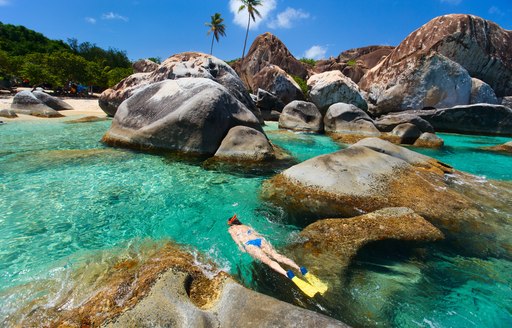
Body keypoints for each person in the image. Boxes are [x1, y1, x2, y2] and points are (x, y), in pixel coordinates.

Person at [227, 214, 327, 297]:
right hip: (260, 240)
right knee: (276, 255)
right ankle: (300, 268)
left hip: (249, 244)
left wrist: (241, 247)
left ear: (231, 224)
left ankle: (287, 274)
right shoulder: (246, 226)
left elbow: (236, 240)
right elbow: (257, 233)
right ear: (238, 220)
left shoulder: (231, 229)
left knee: (269, 261)